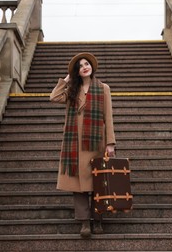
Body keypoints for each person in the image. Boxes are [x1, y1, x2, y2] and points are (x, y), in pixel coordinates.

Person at [50, 52, 116, 238]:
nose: (84, 67)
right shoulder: (71, 91)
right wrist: (66, 80)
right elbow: (53, 97)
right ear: (76, 72)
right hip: (75, 144)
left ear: (92, 67)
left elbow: (108, 117)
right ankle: (85, 223)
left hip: (96, 143)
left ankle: (98, 220)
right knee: (79, 187)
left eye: (86, 64)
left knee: (97, 182)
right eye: (79, 66)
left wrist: (110, 143)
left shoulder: (103, 88)